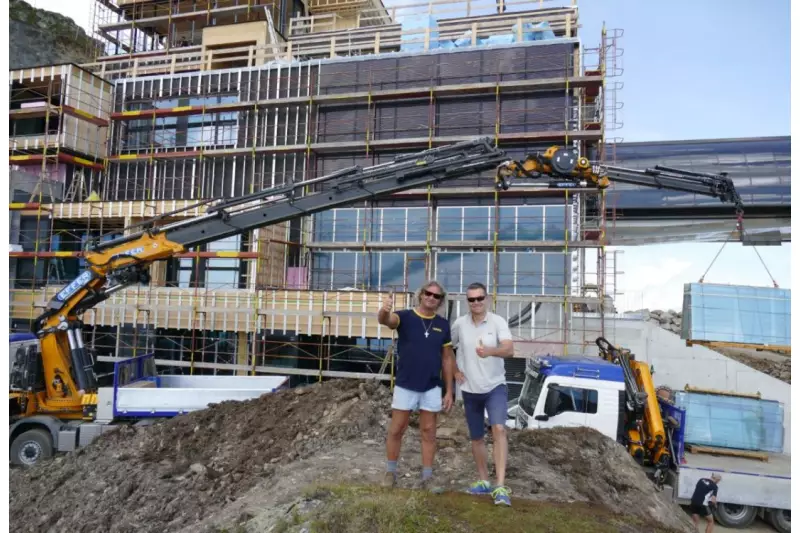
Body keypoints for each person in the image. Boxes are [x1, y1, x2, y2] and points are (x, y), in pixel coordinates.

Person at [377, 280, 455, 491]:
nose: (431, 297)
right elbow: (387, 321)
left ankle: (427, 477)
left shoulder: (443, 325)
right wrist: (383, 311)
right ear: (421, 295)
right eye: (428, 293)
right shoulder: (405, 317)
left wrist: (449, 390)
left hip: (431, 386)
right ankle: (390, 472)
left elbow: (447, 358)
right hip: (405, 383)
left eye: (436, 296)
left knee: (429, 432)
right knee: (396, 429)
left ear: (440, 301)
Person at [451, 282, 514, 506]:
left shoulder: (497, 322)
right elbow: (448, 348)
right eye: (471, 299)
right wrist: (455, 371)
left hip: (495, 387)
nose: (476, 303)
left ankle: (500, 486)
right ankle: (484, 481)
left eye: (480, 298)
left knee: (498, 429)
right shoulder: (459, 324)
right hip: (469, 390)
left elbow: (509, 349)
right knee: (476, 437)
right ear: (467, 302)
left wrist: (490, 351)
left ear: (486, 299)